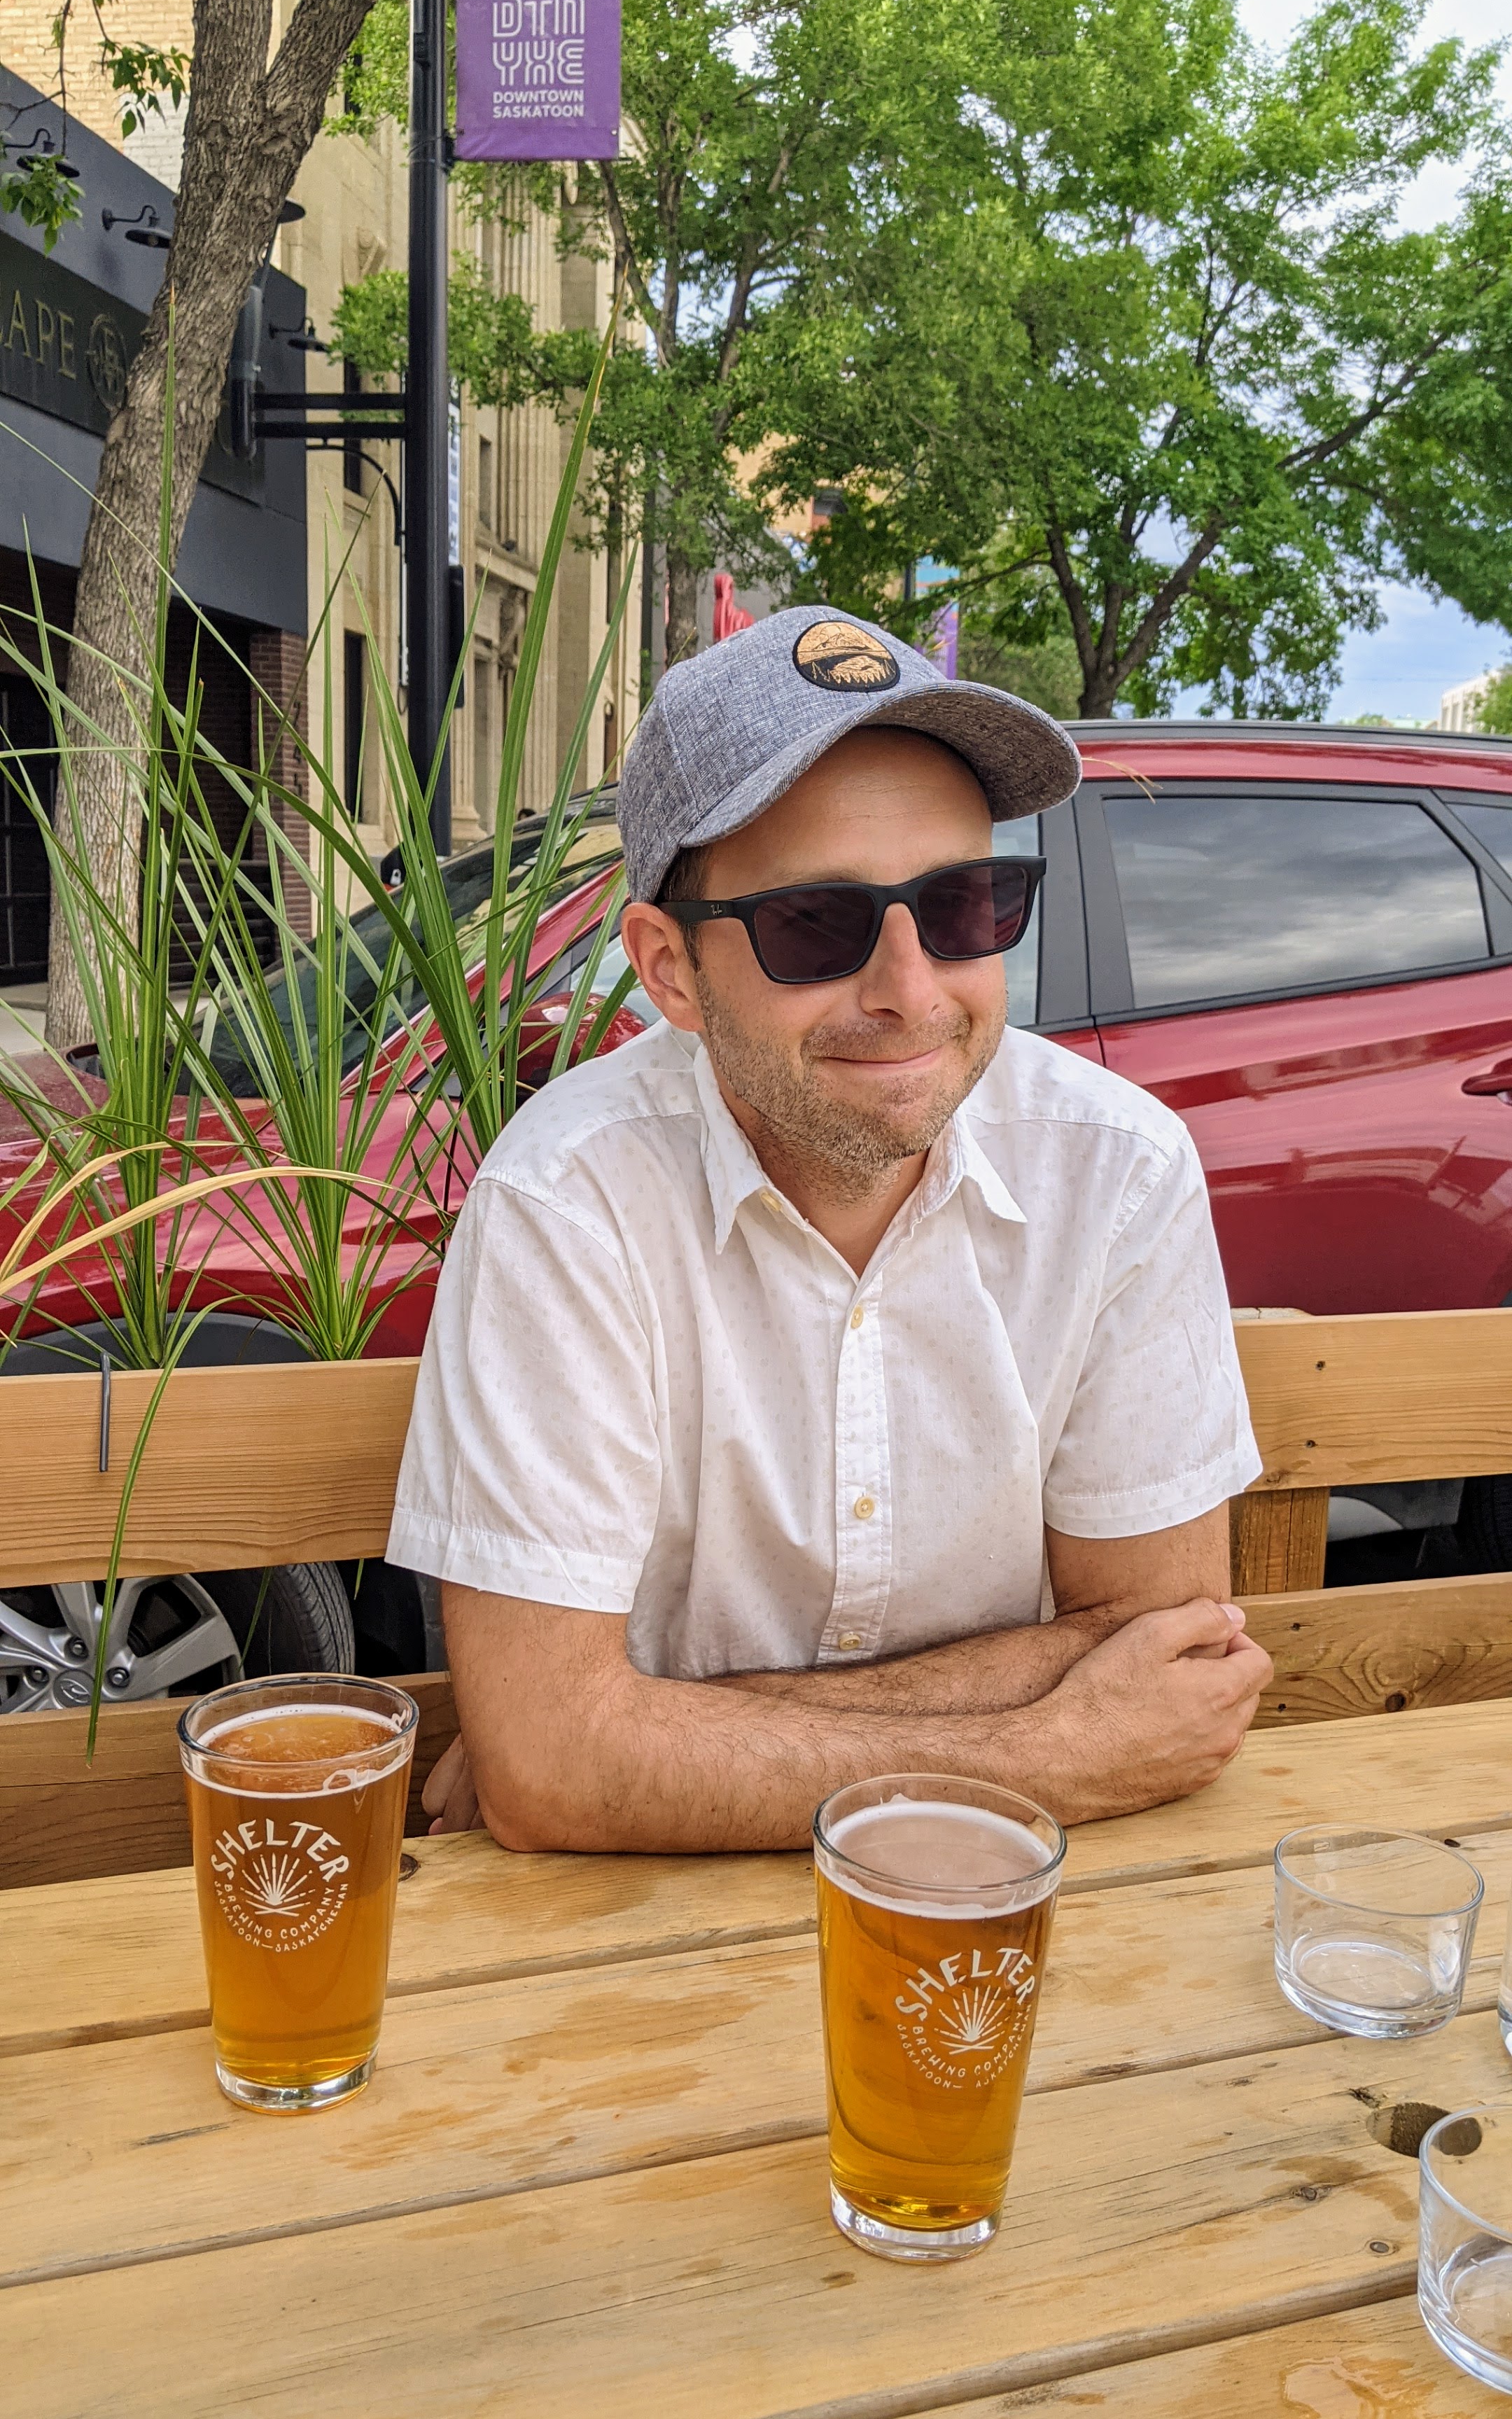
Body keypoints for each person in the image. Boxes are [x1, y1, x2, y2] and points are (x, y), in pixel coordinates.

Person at [391, 608, 1271, 1850]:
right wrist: (1040, 1753)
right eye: (820, 923)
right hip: (638, 1941)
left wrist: (645, 1740)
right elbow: (552, 1765)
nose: (912, 989)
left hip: (998, 1900)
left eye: (967, 904)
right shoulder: (568, 1201)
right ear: (671, 970)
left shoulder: (1115, 1169)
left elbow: (1162, 1654)